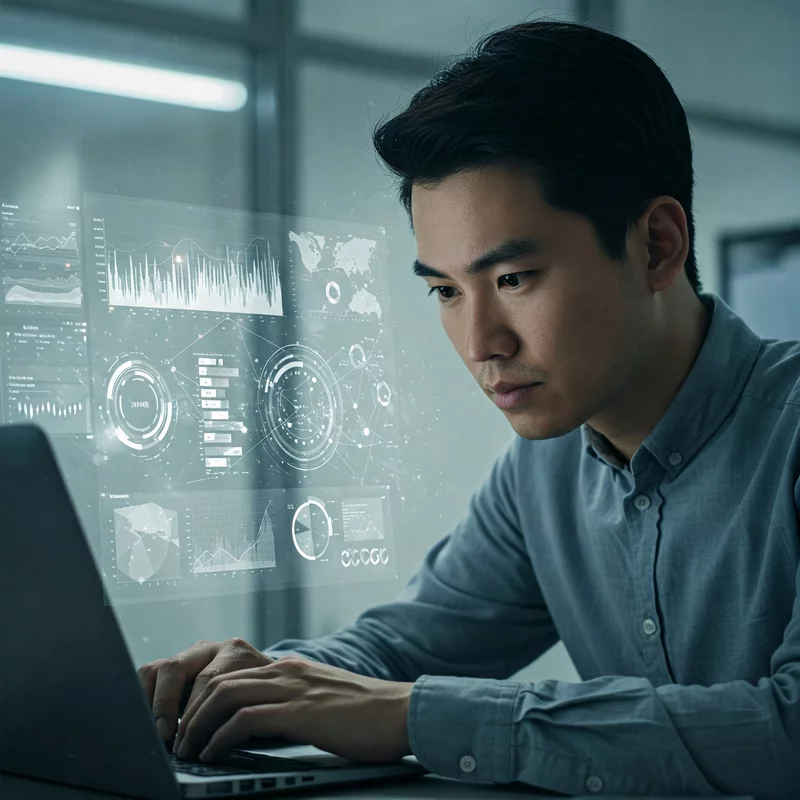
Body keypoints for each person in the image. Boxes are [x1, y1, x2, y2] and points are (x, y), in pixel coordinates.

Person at [137, 20, 800, 798]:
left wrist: (411, 716)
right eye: (446, 291)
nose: (481, 342)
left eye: (514, 279)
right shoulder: (543, 472)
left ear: (656, 245)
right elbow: (403, 645)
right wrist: (254, 682)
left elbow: (787, 731)